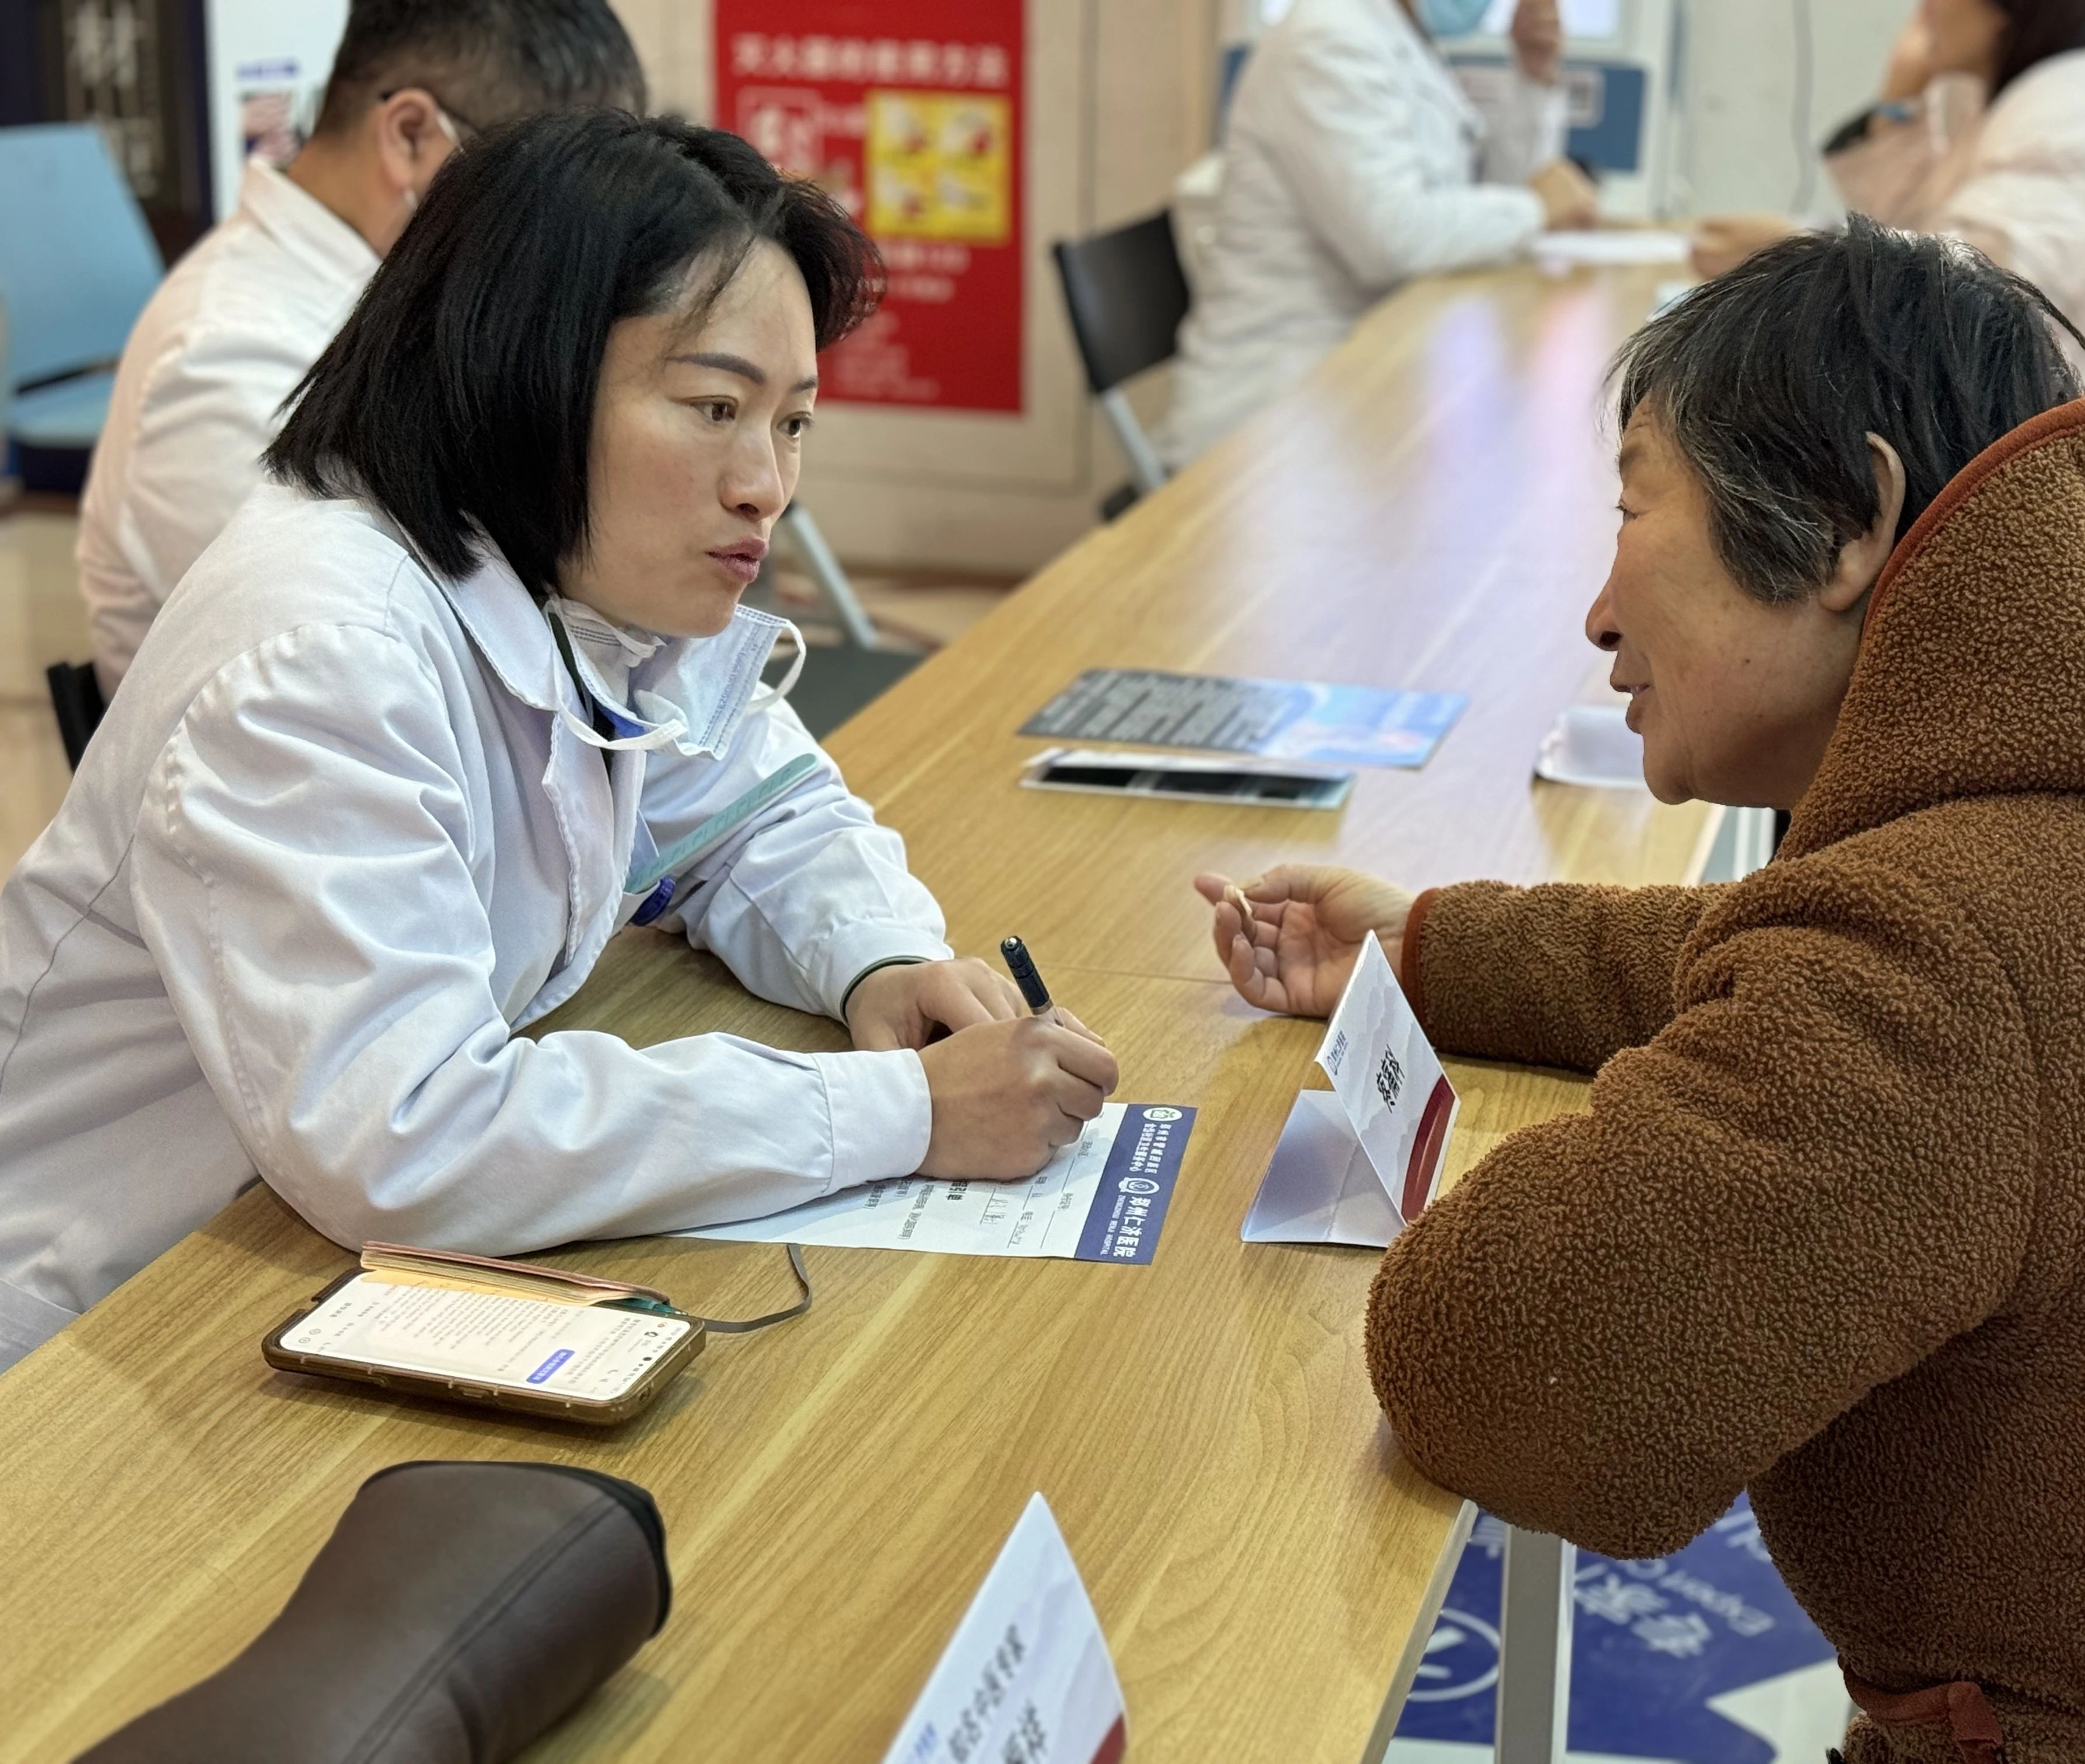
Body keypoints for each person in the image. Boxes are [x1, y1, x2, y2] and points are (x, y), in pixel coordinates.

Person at [1196, 220, 2085, 1758]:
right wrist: (1429, 948)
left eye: (1632, 506)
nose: (1599, 611)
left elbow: (1513, 1374)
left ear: (1842, 524)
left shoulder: (1953, 957)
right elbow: (1796, 956)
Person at [0, 112, 1119, 1373]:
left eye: (793, 422)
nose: (765, 483)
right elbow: (409, 1137)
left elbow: (751, 810)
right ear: (527, 376)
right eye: (714, 407)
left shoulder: (587, 577)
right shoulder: (319, 653)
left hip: (285, 1263)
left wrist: (881, 958)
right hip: (95, 1329)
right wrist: (900, 1111)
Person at [75, 0, 649, 698]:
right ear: (411, 136)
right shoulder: (228, 357)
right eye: (552, 209)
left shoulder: (406, 304)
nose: (568, 254)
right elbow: (342, 665)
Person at [1690, 0, 2085, 480]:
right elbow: (1922, 233)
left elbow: (1956, 304)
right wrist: (1896, 103)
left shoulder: (2070, 122)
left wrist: (1790, 258)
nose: (1923, 9)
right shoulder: (2038, 93)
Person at [1160, 0, 1598, 467]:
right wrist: (1534, 207)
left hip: (1364, 377)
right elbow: (1392, 241)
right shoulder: (1327, 39)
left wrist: (1532, 78)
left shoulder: (1399, 38)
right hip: (1275, 408)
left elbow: (1469, 208)